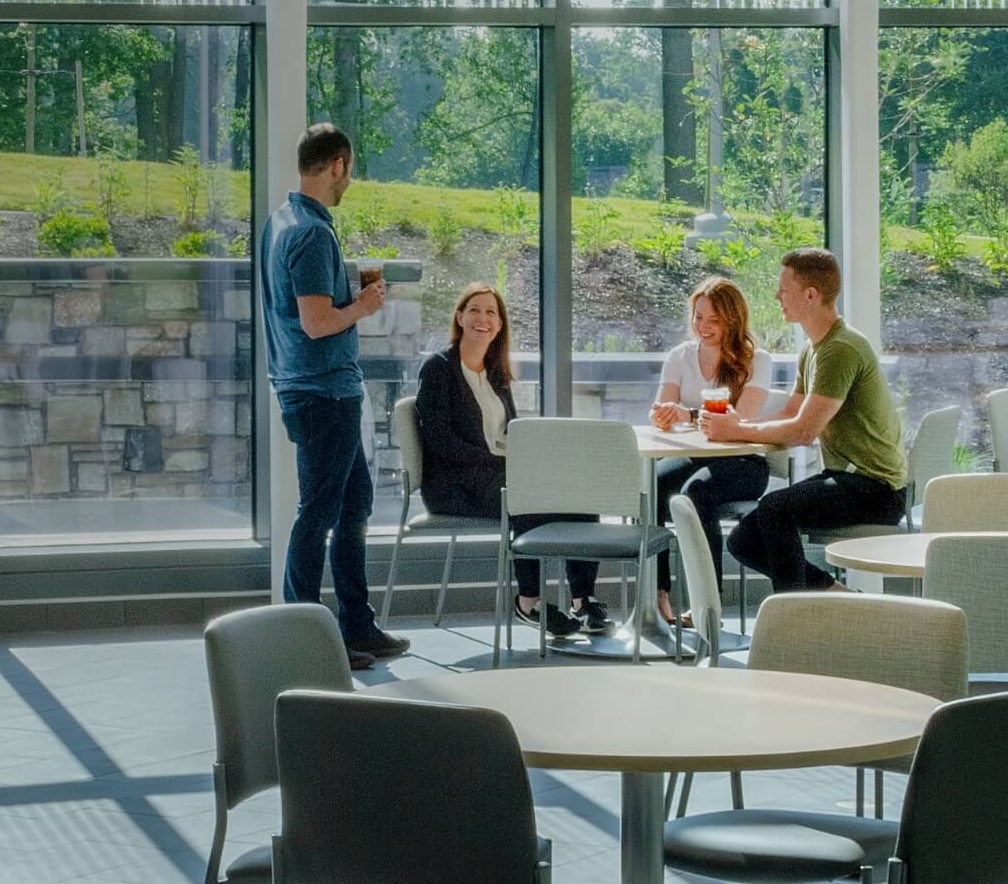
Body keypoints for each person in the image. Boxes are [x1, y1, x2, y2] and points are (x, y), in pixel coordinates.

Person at [260, 123, 410, 670]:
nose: (350, 180)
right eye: (350, 171)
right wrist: (364, 307)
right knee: (319, 512)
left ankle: (358, 626)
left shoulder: (280, 221)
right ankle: (303, 634)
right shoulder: (313, 234)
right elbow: (318, 322)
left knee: (353, 506)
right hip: (324, 392)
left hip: (309, 388)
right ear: (338, 166)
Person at [700, 248, 908, 592]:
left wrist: (737, 430)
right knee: (742, 540)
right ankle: (835, 596)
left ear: (810, 295)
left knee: (775, 510)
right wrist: (737, 429)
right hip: (845, 479)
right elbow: (788, 415)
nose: (776, 296)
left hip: (876, 489)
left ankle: (794, 619)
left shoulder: (841, 349)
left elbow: (802, 431)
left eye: (784, 289)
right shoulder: (814, 349)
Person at [415, 283, 614, 637]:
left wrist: (531, 460)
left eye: (492, 312)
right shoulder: (438, 368)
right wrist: (503, 465)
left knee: (580, 495)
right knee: (527, 498)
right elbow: (439, 440)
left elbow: (512, 433)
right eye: (474, 310)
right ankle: (529, 602)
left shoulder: (495, 372)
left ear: (500, 324)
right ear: (459, 318)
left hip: (495, 476)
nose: (483, 318)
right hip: (453, 485)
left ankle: (583, 600)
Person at [647, 276, 772, 625]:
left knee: (697, 491)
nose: (704, 326)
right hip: (693, 457)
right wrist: (661, 414)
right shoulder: (679, 357)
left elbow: (743, 418)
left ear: (733, 320)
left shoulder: (755, 360)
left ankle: (708, 605)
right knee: (652, 486)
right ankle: (658, 594)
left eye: (713, 319)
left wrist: (686, 414)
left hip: (743, 462)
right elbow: (661, 408)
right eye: (699, 317)